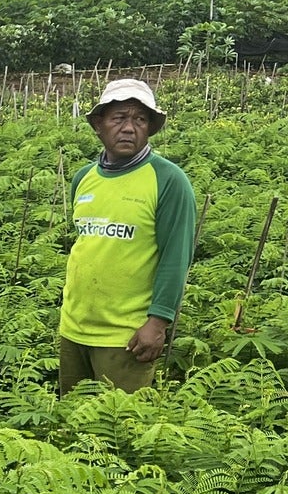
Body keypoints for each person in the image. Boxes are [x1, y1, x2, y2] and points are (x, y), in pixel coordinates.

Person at [57, 78, 195, 393]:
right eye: (119, 118)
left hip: (127, 337)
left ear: (150, 128)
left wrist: (157, 324)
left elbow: (176, 258)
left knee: (119, 432)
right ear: (98, 124)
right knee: (70, 425)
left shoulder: (169, 181)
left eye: (140, 119)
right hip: (74, 327)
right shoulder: (83, 178)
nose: (129, 128)